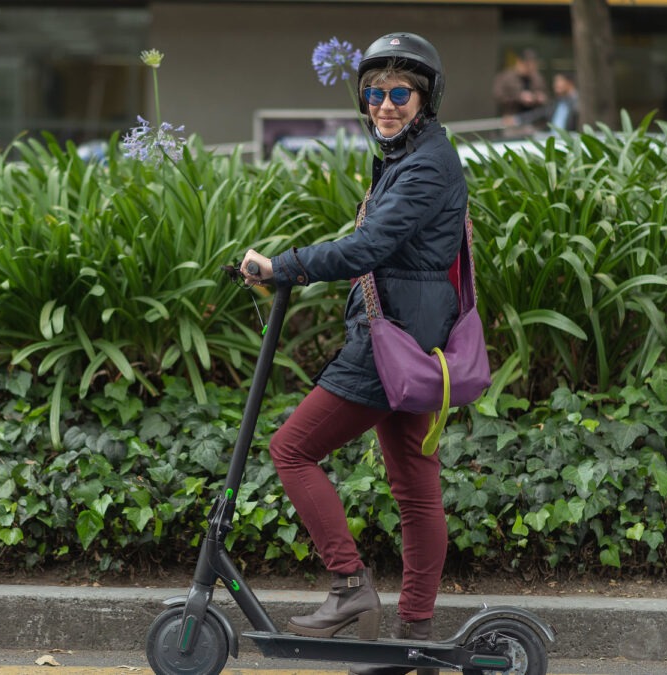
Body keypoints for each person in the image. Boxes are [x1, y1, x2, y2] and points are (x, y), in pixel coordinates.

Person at [239, 31, 467, 675]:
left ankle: (348, 586)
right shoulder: (412, 156)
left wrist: (283, 265)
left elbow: (369, 247)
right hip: (414, 341)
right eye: (375, 93)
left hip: (389, 342)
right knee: (415, 488)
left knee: (292, 449)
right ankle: (413, 631)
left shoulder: (425, 165)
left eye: (400, 93)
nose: (385, 105)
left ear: (425, 100)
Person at [503, 71, 580, 134]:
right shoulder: (557, 103)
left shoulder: (578, 103)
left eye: (559, 81)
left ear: (570, 83)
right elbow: (538, 114)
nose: (555, 85)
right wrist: (517, 119)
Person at [492, 48, 548, 117]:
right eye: (527, 65)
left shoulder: (537, 78)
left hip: (533, 119)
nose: (529, 69)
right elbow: (498, 96)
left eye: (532, 66)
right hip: (512, 118)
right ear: (519, 62)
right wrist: (519, 97)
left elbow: (546, 95)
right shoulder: (506, 77)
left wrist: (539, 97)